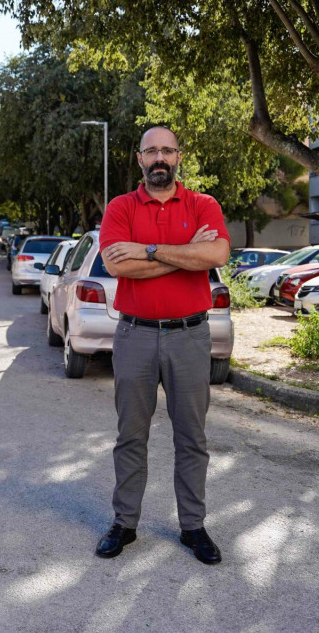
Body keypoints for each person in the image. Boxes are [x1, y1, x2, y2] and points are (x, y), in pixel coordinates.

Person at [95, 125, 230, 565]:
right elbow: (119, 267)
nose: (159, 157)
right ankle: (124, 523)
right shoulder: (120, 207)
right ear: (139, 159)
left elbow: (216, 256)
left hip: (190, 335)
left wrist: (148, 251)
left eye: (167, 150)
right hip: (134, 335)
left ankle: (193, 527)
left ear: (178, 157)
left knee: (192, 437)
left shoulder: (203, 204)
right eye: (151, 150)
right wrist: (182, 252)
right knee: (130, 435)